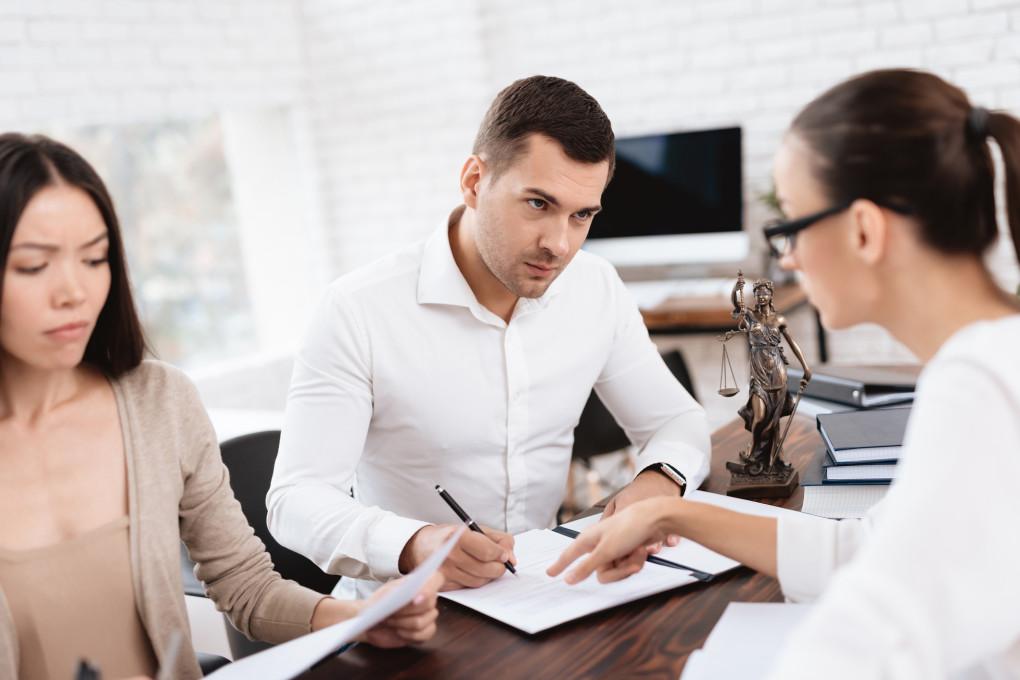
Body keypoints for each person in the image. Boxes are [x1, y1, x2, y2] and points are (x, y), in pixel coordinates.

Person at [547, 68, 1020, 678]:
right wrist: (668, 513)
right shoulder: (991, 360)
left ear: (863, 229)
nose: (787, 256)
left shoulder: (982, 383)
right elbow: (865, 550)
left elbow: (869, 642)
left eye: (790, 225)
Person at [0, 133, 441, 680]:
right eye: (33, 267)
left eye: (95, 258)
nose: (74, 291)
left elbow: (246, 586)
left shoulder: (158, 402)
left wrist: (354, 618)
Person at [267, 75, 711, 599]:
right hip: (408, 613)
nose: (559, 245)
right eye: (538, 204)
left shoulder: (597, 288)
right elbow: (294, 500)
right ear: (475, 180)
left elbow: (676, 420)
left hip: (545, 595)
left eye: (582, 215)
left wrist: (658, 480)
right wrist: (414, 543)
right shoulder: (356, 310)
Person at [722, 273, 811, 474]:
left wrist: (805, 367)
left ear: (771, 295)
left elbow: (792, 343)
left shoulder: (779, 318)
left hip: (777, 370)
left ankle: (773, 458)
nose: (762, 297)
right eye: (758, 294)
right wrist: (737, 288)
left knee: (774, 416)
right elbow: (736, 303)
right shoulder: (750, 316)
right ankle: (753, 449)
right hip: (758, 369)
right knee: (760, 415)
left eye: (765, 294)